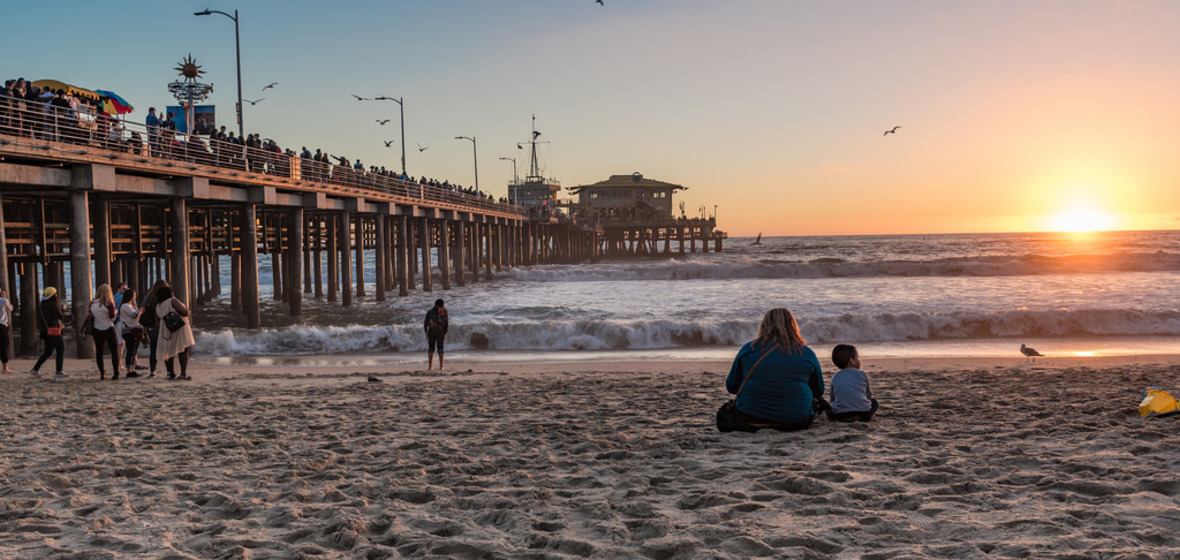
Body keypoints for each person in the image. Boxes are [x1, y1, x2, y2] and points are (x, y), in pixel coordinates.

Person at [723, 308, 825, 432]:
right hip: (795, 420)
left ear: (764, 325)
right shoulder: (806, 353)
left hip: (750, 418)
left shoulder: (749, 349)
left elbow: (732, 387)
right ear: (793, 326)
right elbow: (819, 390)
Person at [826, 344, 879, 422]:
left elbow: (833, 398)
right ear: (851, 360)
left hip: (840, 415)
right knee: (874, 402)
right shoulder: (862, 374)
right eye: (857, 358)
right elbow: (868, 396)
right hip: (863, 412)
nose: (859, 360)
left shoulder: (835, 376)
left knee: (828, 409)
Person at [155, 285, 195, 380]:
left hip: (166, 329)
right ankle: (183, 373)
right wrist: (188, 311)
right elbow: (185, 312)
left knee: (168, 349)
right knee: (183, 348)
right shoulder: (172, 300)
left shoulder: (158, 305)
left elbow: (157, 319)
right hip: (178, 327)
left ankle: (170, 373)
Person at [30, 287, 67, 378]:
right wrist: (63, 309)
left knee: (48, 351)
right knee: (60, 349)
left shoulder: (43, 304)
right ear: (53, 295)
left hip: (45, 331)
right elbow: (60, 316)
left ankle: (35, 369)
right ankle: (58, 371)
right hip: (53, 331)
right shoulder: (54, 305)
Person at [89, 283, 120, 380]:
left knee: (99, 352)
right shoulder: (109, 304)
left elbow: (91, 316)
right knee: (114, 351)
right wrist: (115, 312)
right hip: (108, 328)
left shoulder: (92, 303)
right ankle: (116, 373)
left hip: (96, 329)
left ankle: (102, 373)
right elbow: (112, 318)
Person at [140, 280, 168, 378]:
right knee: (165, 349)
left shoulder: (149, 296)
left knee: (153, 350)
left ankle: (153, 371)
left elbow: (142, 308)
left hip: (152, 326)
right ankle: (169, 371)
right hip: (164, 326)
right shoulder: (166, 297)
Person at [117, 287, 142, 378]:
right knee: (131, 350)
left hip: (133, 330)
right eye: (134, 295)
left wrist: (135, 304)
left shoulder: (129, 305)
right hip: (128, 331)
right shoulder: (125, 306)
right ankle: (129, 370)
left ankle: (132, 368)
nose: (135, 297)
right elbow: (135, 315)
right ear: (131, 296)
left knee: (134, 350)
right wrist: (142, 310)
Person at [424, 298, 448, 370]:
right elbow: (425, 323)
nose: (442, 308)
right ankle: (435, 366)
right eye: (441, 307)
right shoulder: (433, 312)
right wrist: (426, 332)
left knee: (436, 348)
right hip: (436, 331)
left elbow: (446, 324)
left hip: (436, 331)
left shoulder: (431, 312)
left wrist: (426, 332)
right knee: (436, 348)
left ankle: (436, 366)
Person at [0, 287, 12, 373]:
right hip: (2, 325)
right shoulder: (3, 300)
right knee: (4, 346)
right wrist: (4, 297)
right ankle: (5, 368)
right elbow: (11, 308)